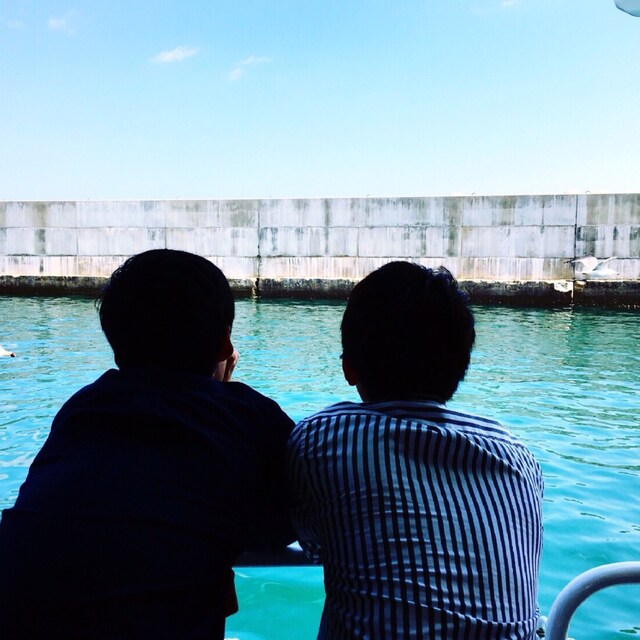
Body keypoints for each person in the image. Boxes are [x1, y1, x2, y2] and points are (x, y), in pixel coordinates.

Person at [0, 249, 295, 639]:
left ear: (115, 339)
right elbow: (282, 527)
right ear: (225, 343)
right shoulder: (247, 414)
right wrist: (220, 388)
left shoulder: (82, 408)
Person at [287, 261, 544, 640]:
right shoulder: (518, 456)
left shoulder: (322, 437)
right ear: (461, 365)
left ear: (349, 369)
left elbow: (313, 544)